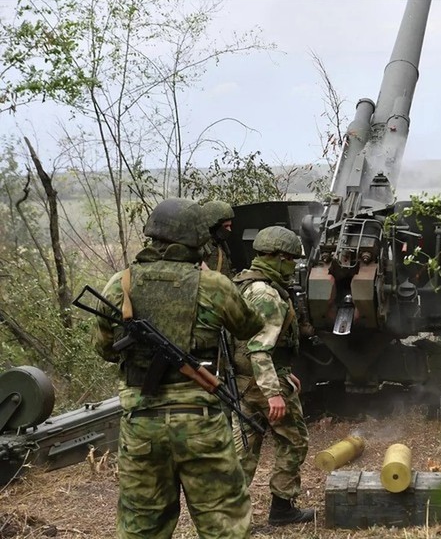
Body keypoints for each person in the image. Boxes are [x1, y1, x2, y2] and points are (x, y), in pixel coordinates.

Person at [92, 197, 264, 539]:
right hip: (200, 421)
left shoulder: (121, 284)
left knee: (142, 526)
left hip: (141, 423)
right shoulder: (212, 285)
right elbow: (248, 326)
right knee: (225, 525)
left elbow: (104, 347)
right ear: (197, 241)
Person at [231, 226, 315, 526]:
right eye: (291, 260)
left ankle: (229, 519)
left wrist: (284, 374)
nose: (294, 267)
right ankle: (282, 508)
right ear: (278, 258)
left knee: (244, 450)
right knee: (293, 441)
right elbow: (259, 349)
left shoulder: (244, 283)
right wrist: (273, 391)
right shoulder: (268, 295)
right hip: (261, 382)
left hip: (241, 381)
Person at [201, 200, 235, 278]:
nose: (229, 230)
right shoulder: (200, 247)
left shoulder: (220, 245)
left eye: (230, 226)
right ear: (214, 226)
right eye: (226, 226)